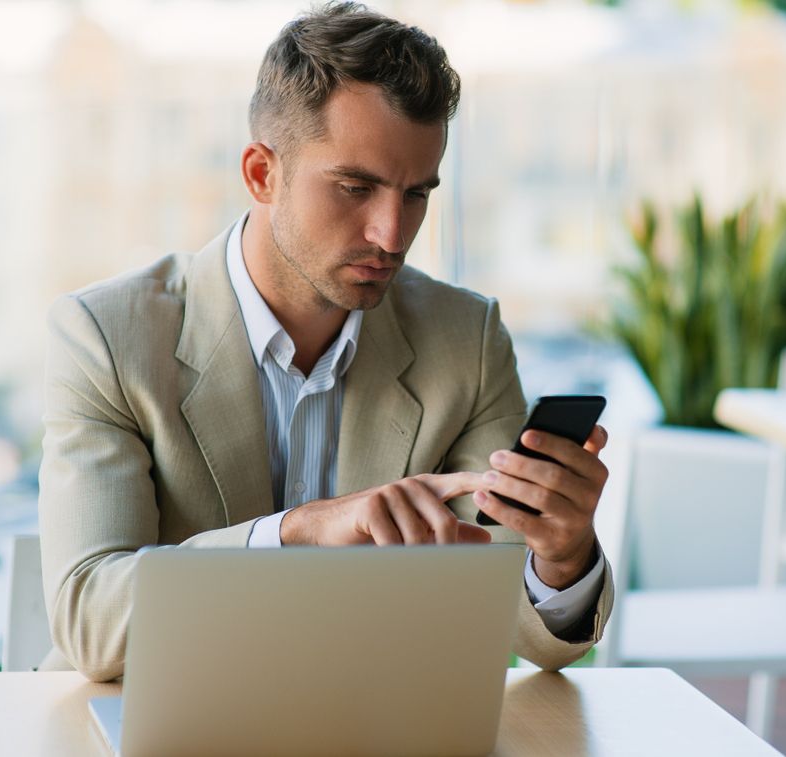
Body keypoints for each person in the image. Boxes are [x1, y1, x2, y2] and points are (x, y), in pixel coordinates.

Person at [38, 2, 614, 683]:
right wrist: (294, 533)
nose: (391, 234)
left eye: (416, 194)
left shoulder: (466, 340)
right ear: (260, 173)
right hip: (153, 719)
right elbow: (90, 623)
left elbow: (528, 635)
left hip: (366, 722)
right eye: (354, 187)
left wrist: (561, 552)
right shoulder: (107, 336)